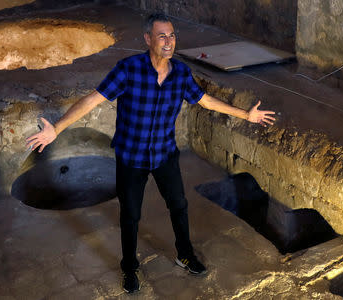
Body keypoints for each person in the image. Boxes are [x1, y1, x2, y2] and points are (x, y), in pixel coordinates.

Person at [26, 12, 276, 294]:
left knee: (179, 205)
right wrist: (57, 128)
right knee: (130, 214)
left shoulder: (180, 73)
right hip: (131, 156)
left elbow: (205, 101)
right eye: (162, 36)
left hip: (164, 154)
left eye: (171, 36)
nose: (168, 42)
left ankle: (185, 254)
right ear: (148, 39)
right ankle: (130, 267)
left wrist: (246, 114)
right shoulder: (128, 69)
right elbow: (93, 100)